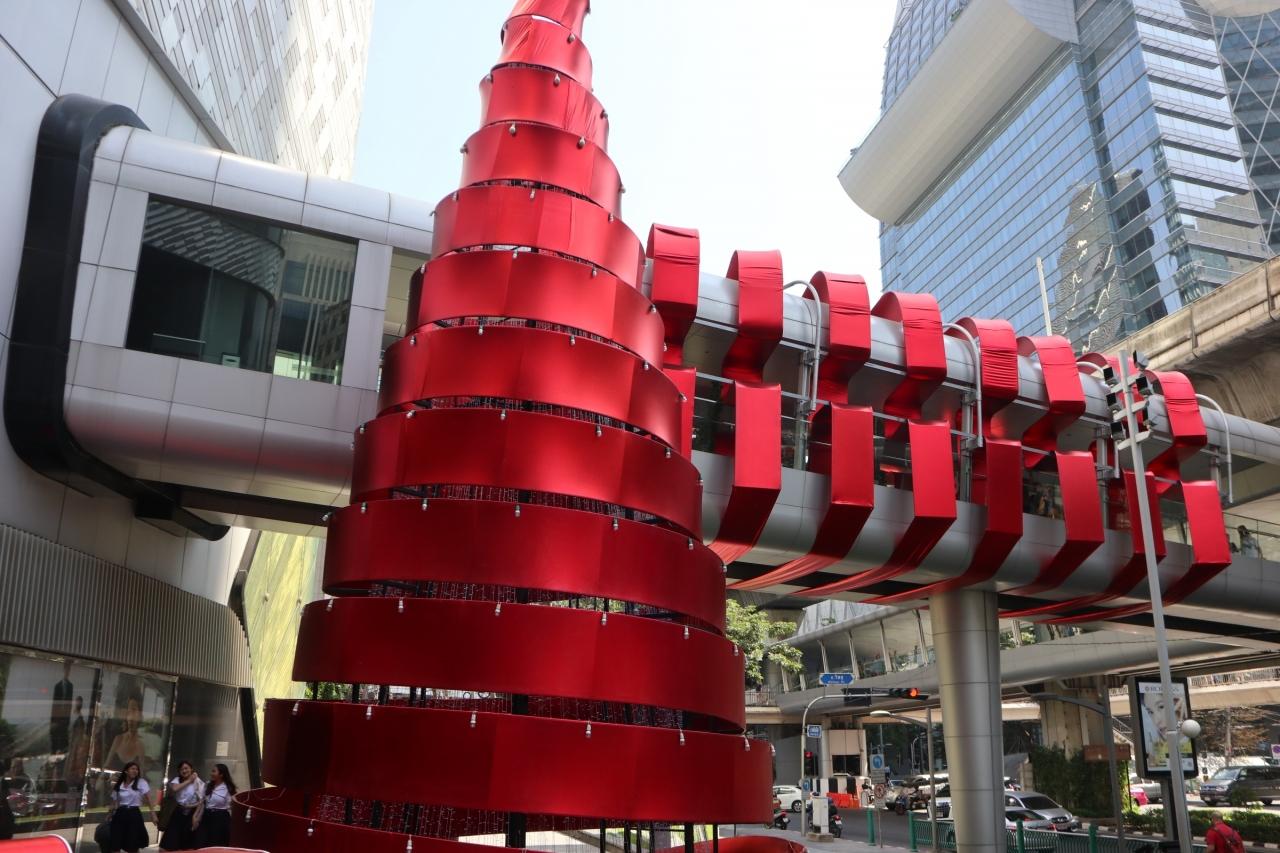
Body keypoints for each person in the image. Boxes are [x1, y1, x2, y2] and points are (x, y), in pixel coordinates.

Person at [108, 761, 156, 853]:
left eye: (137, 769)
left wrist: (153, 814)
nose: (135, 771)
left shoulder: (141, 782)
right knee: (116, 842)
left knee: (133, 842)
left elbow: (149, 799)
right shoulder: (119, 784)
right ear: (126, 771)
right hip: (120, 814)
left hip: (134, 814)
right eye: (132, 769)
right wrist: (109, 814)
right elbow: (114, 801)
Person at [160, 761, 203, 851]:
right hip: (178, 811)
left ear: (191, 769)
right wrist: (189, 780)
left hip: (191, 813)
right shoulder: (177, 780)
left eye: (186, 768)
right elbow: (175, 788)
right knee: (170, 841)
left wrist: (194, 814)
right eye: (181, 769)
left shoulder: (198, 782)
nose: (184, 771)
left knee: (187, 843)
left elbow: (201, 801)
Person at [193, 764, 236, 848]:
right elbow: (202, 802)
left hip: (221, 818)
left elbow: (232, 805)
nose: (211, 773)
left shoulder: (228, 788)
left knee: (216, 843)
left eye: (214, 771)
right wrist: (195, 816)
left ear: (221, 774)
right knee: (201, 842)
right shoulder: (208, 784)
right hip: (207, 816)